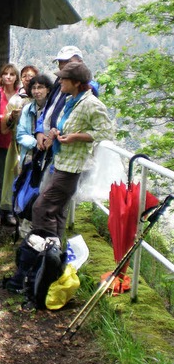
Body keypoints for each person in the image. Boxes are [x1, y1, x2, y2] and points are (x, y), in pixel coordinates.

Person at [32, 62, 114, 239]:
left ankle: (42, 252)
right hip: (62, 162)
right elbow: (68, 126)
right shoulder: (71, 100)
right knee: (57, 212)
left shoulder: (91, 103)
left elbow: (107, 131)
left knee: (41, 208)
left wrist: (77, 137)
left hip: (72, 168)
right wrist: (56, 132)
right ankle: (54, 255)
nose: (60, 81)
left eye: (64, 78)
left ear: (76, 82)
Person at [35, 46, 99, 151]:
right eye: (60, 62)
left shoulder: (84, 88)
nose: (63, 65)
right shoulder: (59, 82)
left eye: (68, 61)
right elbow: (48, 108)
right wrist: (40, 131)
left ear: (80, 62)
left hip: (65, 146)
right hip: (48, 142)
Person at [0, 63, 23, 227]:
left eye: (12, 74)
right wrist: (4, 118)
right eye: (6, 74)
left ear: (16, 77)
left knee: (14, 178)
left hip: (16, 143)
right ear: (1, 76)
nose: (8, 77)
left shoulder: (20, 96)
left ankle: (10, 212)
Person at [16, 75, 53, 167]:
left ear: (48, 89)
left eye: (40, 87)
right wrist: (36, 143)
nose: (36, 91)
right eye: (34, 88)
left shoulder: (53, 109)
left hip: (49, 154)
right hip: (30, 154)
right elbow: (20, 134)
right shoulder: (27, 109)